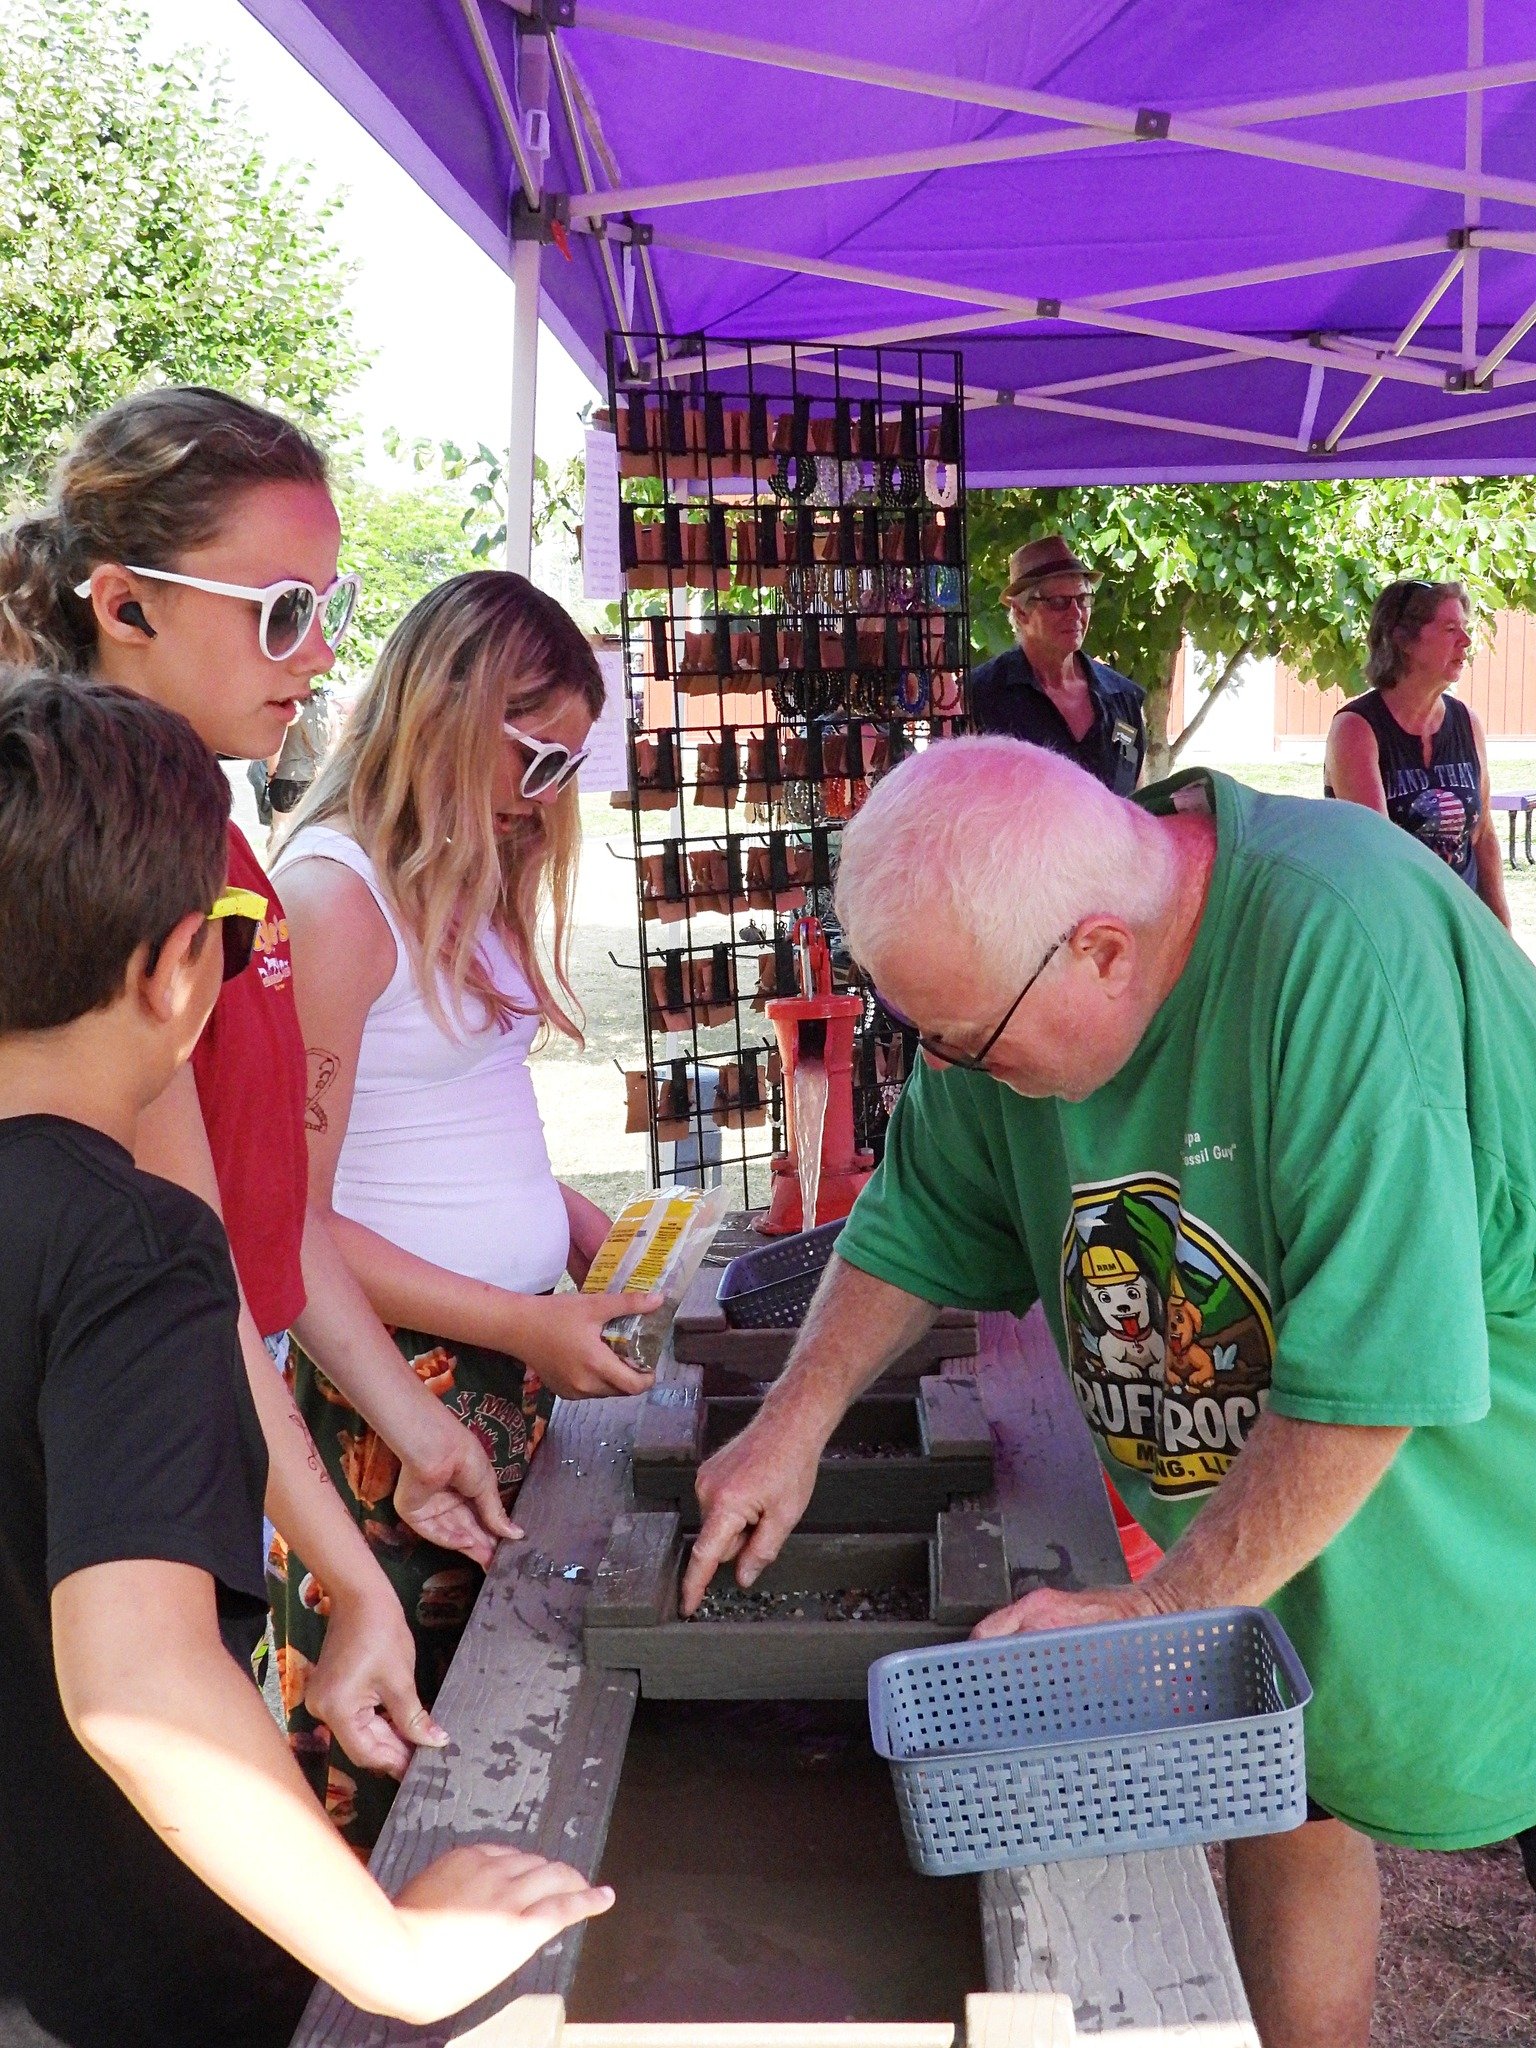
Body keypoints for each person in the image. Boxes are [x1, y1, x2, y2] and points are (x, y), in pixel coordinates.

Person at [684, 736, 1536, 2048]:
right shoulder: (1014, 948)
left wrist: (1159, 1612)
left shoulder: (1337, 951)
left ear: (1101, 950)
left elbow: (1373, 1384)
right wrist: (790, 1422)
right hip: (1294, 1487)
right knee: (1293, 1785)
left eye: (967, 1043)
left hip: (1493, 1496)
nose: (953, 1072)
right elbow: (915, 1221)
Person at [0, 672, 611, 2047]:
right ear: (175, 970)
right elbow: (138, 1682)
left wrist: (344, 1583)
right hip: (130, 1961)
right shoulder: (137, 1251)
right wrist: (388, 1949)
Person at [0, 386, 514, 1788]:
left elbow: (263, 1223)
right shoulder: (123, 878)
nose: (325, 650)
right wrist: (349, 1576)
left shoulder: (206, 843)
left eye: (326, 603)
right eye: (283, 609)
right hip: (136, 1443)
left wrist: (406, 1432)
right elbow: (187, 1273)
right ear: (129, 605)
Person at [269, 571, 656, 1845]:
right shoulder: (336, 895)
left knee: (496, 1707)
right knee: (401, 1735)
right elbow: (294, 1216)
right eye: (536, 757)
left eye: (567, 769)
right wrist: (513, 1313)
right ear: (449, 710)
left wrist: (573, 1222)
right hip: (394, 1381)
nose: (548, 797)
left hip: (499, 1352)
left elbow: (440, 1121)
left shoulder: (456, 869)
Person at [1325, 577, 1511, 928]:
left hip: (1461, 926)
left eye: (1464, 628)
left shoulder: (1467, 723)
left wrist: (1501, 935)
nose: (1466, 641)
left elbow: (1483, 834)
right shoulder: (1356, 729)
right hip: (1391, 928)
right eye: (1450, 628)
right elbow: (1379, 854)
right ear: (1404, 639)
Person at [968, 534, 1145, 793]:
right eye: (1058, 603)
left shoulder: (1124, 698)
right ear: (1020, 612)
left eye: (1083, 600)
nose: (1075, 614)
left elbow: (1139, 800)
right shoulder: (981, 695)